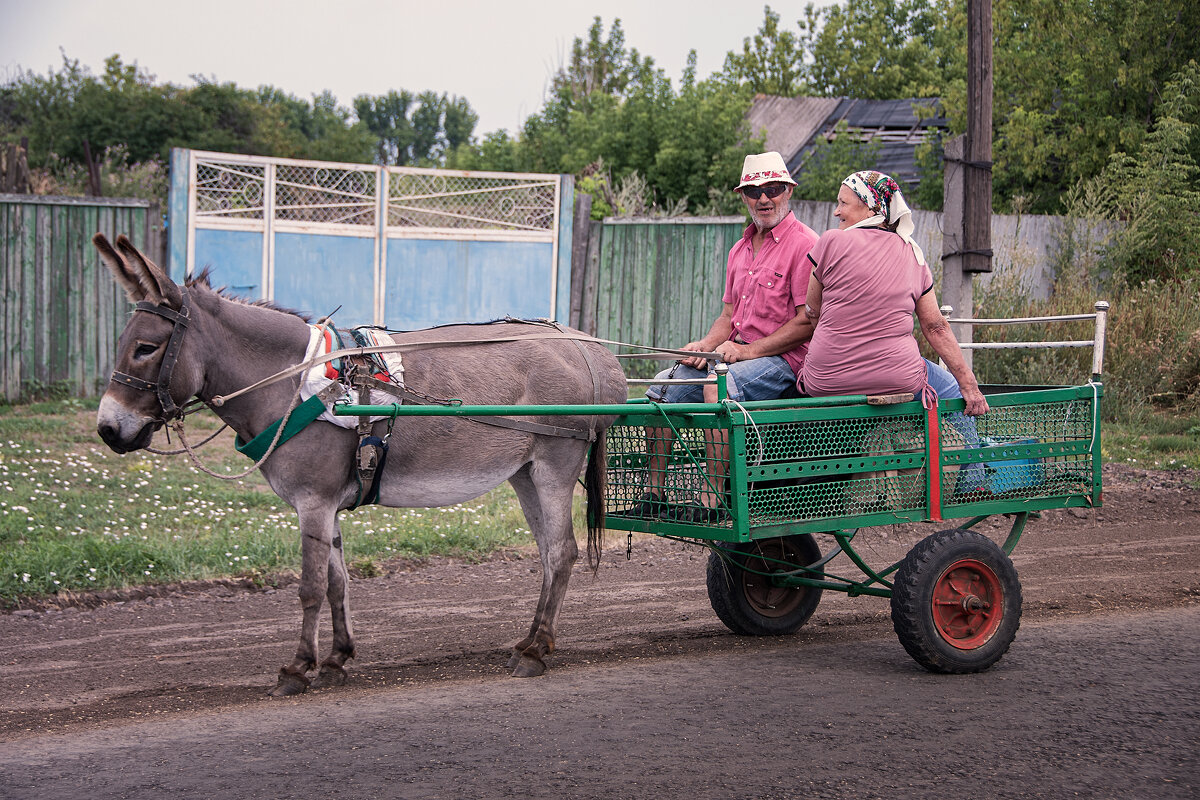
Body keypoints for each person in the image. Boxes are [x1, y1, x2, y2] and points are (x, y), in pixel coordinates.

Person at [630, 152, 820, 520]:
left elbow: (806, 324)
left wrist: (748, 353)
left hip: (786, 361)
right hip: (737, 354)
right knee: (662, 387)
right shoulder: (740, 248)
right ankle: (654, 494)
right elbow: (729, 316)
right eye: (754, 191)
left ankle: (713, 500)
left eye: (773, 189)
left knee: (716, 388)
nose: (764, 198)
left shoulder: (806, 245)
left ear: (789, 192)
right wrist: (705, 347)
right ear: (743, 196)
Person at [799, 170, 988, 417]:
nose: (836, 211)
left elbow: (813, 311)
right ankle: (969, 455)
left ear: (870, 209)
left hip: (825, 381)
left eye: (843, 203)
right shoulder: (912, 253)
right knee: (952, 391)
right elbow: (935, 327)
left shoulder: (831, 242)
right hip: (897, 378)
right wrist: (969, 384)